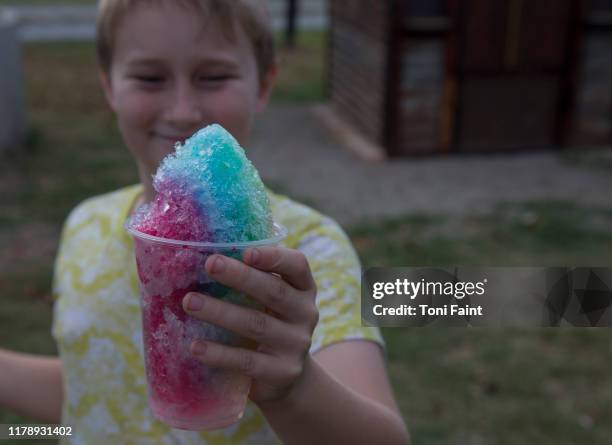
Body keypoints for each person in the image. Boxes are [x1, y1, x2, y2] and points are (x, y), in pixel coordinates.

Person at [0, 1, 410, 444]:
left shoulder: (304, 254)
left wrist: (294, 389)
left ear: (264, 85)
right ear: (109, 86)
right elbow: (94, 384)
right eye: (150, 78)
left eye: (213, 77)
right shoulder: (84, 225)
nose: (183, 110)